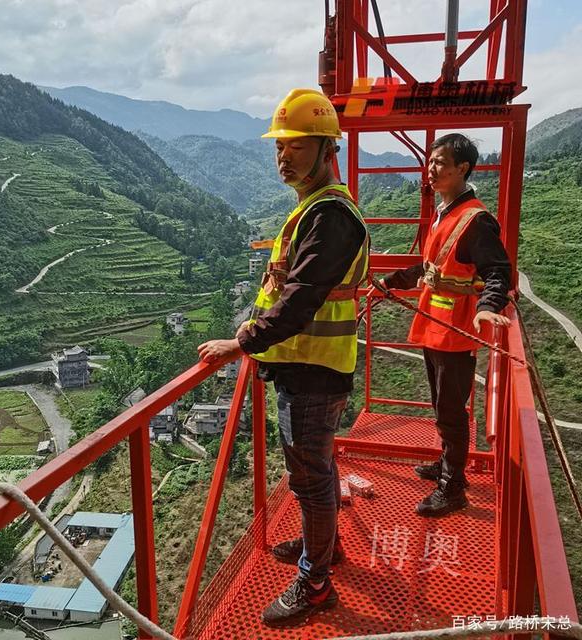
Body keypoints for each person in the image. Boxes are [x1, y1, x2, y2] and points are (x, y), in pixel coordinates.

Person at [197, 88, 368, 628]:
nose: (283, 156)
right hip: (305, 367)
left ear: (326, 149)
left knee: (311, 479)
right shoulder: (313, 211)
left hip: (313, 371)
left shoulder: (330, 216)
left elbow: (299, 301)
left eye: (295, 145)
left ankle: (315, 583)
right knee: (317, 470)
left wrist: (241, 341)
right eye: (279, 147)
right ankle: (325, 548)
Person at [381, 133, 512, 517]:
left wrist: (488, 305)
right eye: (432, 162)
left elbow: (498, 271)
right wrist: (393, 281)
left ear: (463, 169)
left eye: (441, 163)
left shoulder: (476, 220)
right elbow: (431, 267)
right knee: (443, 406)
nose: (432, 169)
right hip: (436, 323)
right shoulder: (445, 211)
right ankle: (447, 466)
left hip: (455, 330)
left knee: (451, 410)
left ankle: (453, 488)